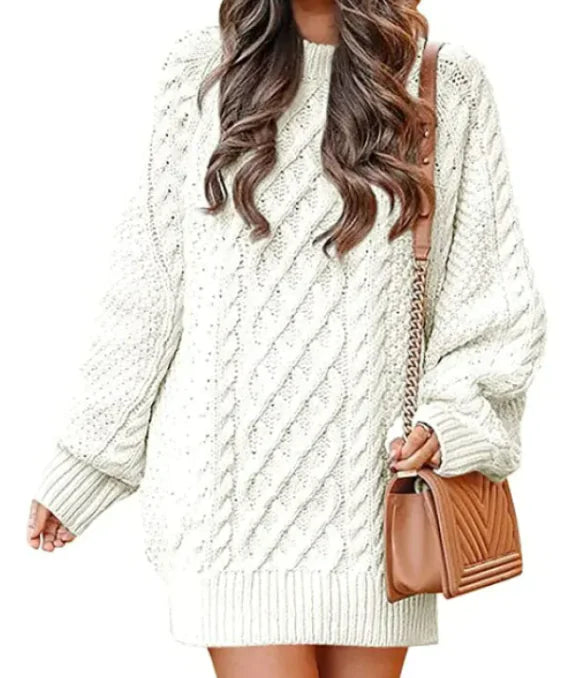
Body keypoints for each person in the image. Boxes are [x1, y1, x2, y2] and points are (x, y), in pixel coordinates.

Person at [26, 1, 548, 677]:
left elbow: (491, 298)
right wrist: (88, 462)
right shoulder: (201, 69)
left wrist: (453, 419)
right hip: (227, 500)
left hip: (373, 500)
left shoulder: (442, 84)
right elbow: (149, 287)